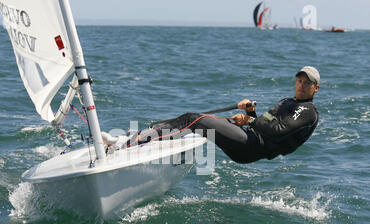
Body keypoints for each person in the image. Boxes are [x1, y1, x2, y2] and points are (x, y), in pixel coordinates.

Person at [105, 66, 320, 164]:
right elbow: (264, 123)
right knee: (193, 120)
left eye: (307, 82)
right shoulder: (289, 101)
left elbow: (277, 131)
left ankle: (131, 144)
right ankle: (138, 138)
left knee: (195, 120)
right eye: (299, 80)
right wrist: (250, 113)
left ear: (315, 88)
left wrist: (250, 119)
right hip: (250, 138)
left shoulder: (307, 110)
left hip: (252, 147)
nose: (301, 85)